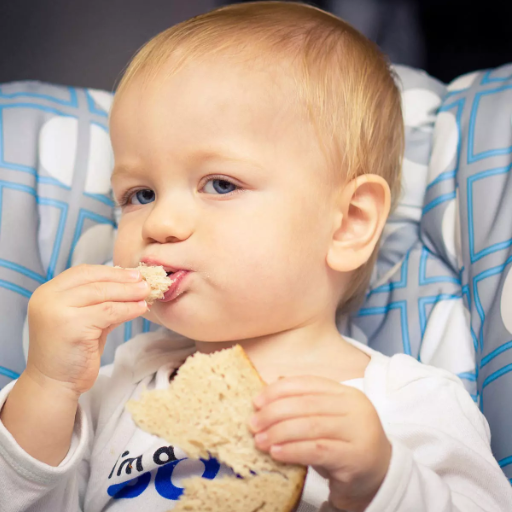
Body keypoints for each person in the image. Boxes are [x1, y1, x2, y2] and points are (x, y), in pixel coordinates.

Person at [0, 2, 510, 511]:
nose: (159, 224)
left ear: (349, 223)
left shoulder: (409, 401)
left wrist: (382, 479)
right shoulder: (113, 389)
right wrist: (46, 384)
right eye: (140, 195)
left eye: (220, 184)